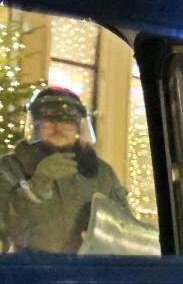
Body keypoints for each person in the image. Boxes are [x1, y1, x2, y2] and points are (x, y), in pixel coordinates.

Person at [0, 86, 128, 254]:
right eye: (49, 118)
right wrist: (37, 184)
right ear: (36, 124)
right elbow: (5, 226)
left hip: (86, 268)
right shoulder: (9, 168)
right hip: (29, 267)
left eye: (67, 120)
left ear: (77, 126)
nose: (58, 126)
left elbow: (124, 226)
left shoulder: (102, 173)